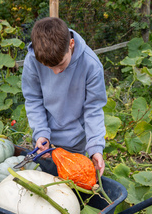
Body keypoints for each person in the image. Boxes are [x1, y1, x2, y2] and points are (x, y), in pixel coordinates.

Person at [21, 17, 107, 175]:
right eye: (49, 67)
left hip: (74, 141)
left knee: (70, 189)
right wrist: (40, 133)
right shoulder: (33, 61)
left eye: (60, 65)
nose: (56, 72)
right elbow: (33, 99)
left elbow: (93, 109)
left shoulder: (91, 65)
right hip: (44, 142)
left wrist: (96, 148)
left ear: (71, 45)